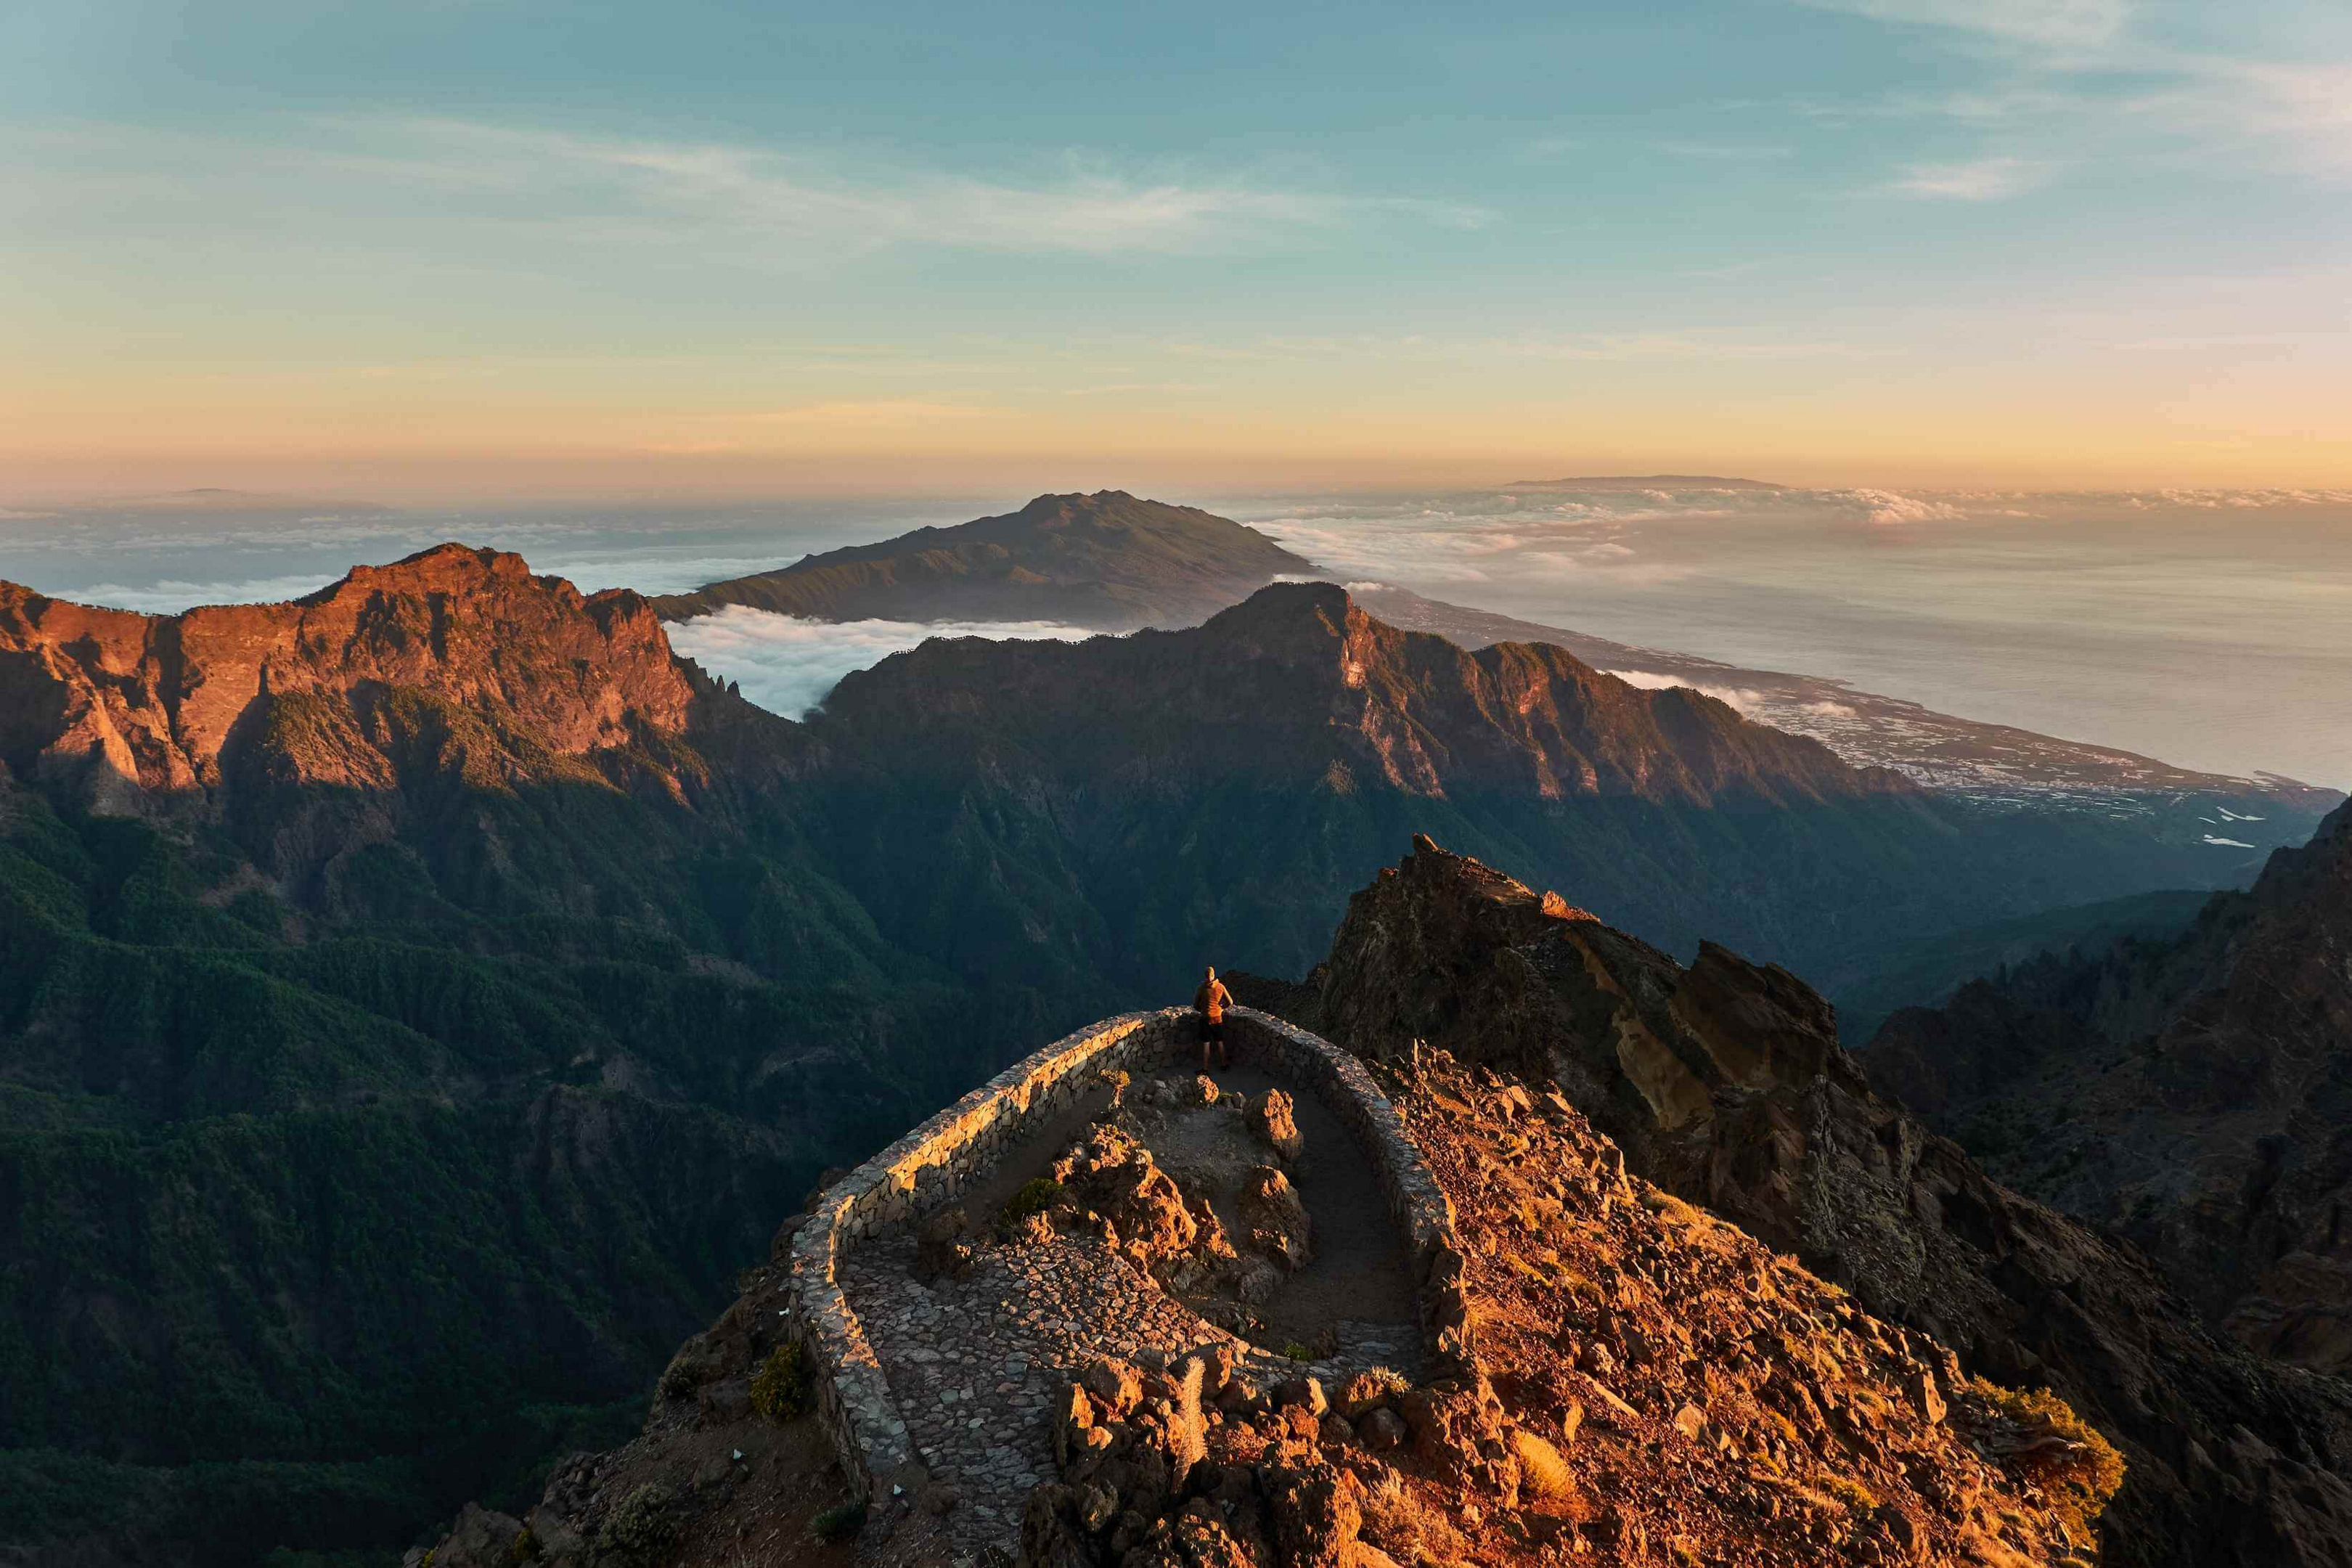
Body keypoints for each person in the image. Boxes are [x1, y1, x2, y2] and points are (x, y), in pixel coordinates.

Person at [1193, 965, 1233, 1070]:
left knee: (1206, 1044)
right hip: (1217, 1018)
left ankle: (1205, 1069)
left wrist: (1203, 1011)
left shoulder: (1201, 988)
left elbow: (1195, 1005)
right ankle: (1224, 1065)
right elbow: (1230, 1002)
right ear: (1214, 975)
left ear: (1205, 976)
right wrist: (1222, 1008)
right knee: (1220, 1042)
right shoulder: (1220, 987)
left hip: (1205, 1019)